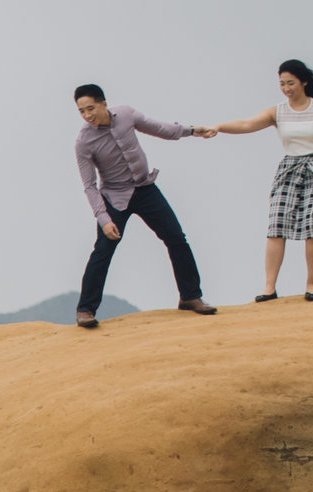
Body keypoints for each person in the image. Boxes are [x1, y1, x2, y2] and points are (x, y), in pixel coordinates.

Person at [72, 83, 220, 329]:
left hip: (145, 189)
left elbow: (161, 129)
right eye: (81, 111)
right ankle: (85, 310)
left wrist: (193, 130)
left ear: (103, 103)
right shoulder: (84, 142)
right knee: (103, 250)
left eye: (90, 108)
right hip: (115, 197)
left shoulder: (127, 115)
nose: (87, 115)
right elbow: (89, 185)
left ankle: (191, 296)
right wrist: (103, 218)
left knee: (176, 238)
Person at [199, 60, 313, 301]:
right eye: (282, 84)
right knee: (276, 226)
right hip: (290, 167)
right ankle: (269, 287)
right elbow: (247, 124)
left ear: (304, 82)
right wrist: (219, 127)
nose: (286, 88)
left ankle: (311, 285)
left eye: (290, 83)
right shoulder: (277, 111)